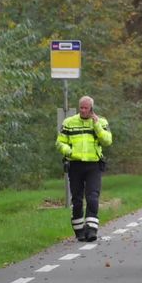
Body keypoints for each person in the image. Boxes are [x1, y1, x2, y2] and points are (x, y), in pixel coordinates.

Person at [57, 96, 113, 242]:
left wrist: (97, 126)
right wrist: (67, 151)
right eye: (81, 107)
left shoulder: (101, 122)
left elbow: (107, 141)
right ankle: (79, 231)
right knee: (77, 200)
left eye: (85, 108)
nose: (82, 110)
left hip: (93, 165)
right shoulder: (69, 123)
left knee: (93, 197)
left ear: (91, 108)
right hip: (75, 165)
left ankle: (92, 229)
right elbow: (60, 142)